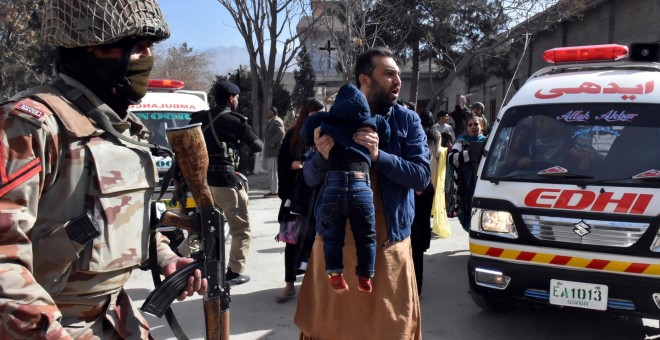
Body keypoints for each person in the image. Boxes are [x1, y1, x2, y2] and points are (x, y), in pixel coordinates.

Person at [0, 1, 207, 338]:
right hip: (46, 325)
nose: (146, 58)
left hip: (114, 317)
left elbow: (116, 219)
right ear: (88, 50)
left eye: (148, 47)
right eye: (133, 47)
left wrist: (165, 258)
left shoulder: (118, 128)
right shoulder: (29, 126)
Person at [294, 47, 430, 339]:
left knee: (392, 329)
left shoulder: (407, 121)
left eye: (398, 73)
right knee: (328, 329)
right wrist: (320, 156)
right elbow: (308, 178)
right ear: (365, 79)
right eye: (389, 73)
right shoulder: (332, 119)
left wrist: (379, 156)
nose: (397, 80)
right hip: (334, 245)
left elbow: (421, 177)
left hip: (387, 246)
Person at [301, 83, 390, 294]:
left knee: (332, 235)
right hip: (362, 185)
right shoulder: (370, 123)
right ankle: (365, 276)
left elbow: (306, 131)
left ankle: (335, 274)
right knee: (367, 236)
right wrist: (377, 136)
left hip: (334, 185)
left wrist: (318, 126)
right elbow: (386, 132)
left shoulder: (327, 121)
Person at [189, 80, 264, 285]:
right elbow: (257, 145)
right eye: (237, 98)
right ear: (231, 98)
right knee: (241, 229)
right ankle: (234, 272)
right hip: (226, 181)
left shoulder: (198, 118)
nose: (237, 101)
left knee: (206, 228)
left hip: (202, 183)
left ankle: (201, 267)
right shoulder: (235, 121)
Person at [275, 98, 325, 303]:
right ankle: (289, 284)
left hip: (319, 197)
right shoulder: (293, 135)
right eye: (314, 115)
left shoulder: (327, 133)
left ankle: (314, 286)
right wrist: (302, 164)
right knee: (291, 240)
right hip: (295, 199)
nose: (318, 120)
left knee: (317, 243)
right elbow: (284, 163)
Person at [410, 111, 438, 295]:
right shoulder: (419, 140)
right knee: (416, 241)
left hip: (419, 190)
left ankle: (415, 288)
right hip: (421, 189)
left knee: (416, 241)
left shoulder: (419, 142)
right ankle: (414, 287)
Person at [448, 115, 487, 231]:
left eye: (476, 124)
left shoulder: (488, 141)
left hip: (483, 183)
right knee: (467, 210)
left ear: (482, 127)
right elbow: (451, 158)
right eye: (470, 125)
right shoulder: (461, 141)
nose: (473, 127)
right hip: (465, 183)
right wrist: (470, 154)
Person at [263, 107, 285, 198]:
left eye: (267, 112)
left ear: (272, 112)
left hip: (274, 151)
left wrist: (271, 142)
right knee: (272, 172)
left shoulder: (276, 121)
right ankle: (274, 190)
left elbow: (281, 133)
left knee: (273, 172)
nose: (266, 113)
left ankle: (274, 191)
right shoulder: (272, 121)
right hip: (272, 151)